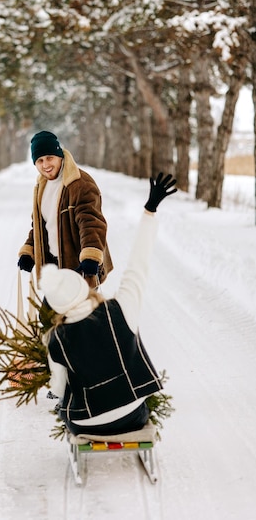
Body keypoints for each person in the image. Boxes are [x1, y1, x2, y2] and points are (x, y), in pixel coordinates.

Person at [39, 172, 177, 437]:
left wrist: (53, 397)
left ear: (57, 307)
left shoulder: (55, 339)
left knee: (64, 405)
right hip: (132, 413)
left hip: (86, 422)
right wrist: (149, 211)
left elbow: (58, 389)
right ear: (83, 289)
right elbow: (139, 262)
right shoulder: (120, 309)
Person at [18, 130, 113, 289]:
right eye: (40, 160)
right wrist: (29, 251)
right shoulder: (41, 186)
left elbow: (91, 223)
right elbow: (39, 226)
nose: (46, 165)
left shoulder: (79, 183)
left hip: (79, 268)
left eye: (50, 158)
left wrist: (91, 256)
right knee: (48, 315)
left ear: (59, 155)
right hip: (53, 270)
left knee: (82, 314)